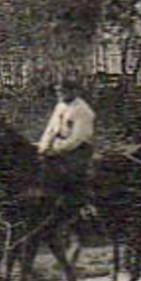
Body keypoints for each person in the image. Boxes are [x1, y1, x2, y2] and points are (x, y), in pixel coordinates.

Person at [38, 78, 96, 214]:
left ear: (75, 92)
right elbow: (51, 129)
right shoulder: (60, 106)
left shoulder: (83, 111)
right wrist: (43, 146)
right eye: (58, 91)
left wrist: (57, 150)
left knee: (71, 172)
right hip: (58, 144)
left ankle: (80, 203)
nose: (60, 94)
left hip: (78, 149)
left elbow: (77, 138)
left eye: (64, 91)